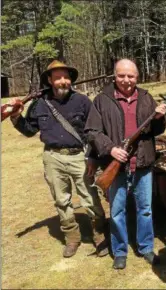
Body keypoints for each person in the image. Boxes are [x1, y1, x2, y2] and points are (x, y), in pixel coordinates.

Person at [8, 60, 108, 258]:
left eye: (66, 77)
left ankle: (100, 234)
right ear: (49, 80)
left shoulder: (82, 102)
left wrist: (93, 158)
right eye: (58, 77)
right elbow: (29, 130)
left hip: (80, 156)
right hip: (52, 157)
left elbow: (95, 131)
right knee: (62, 201)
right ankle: (72, 238)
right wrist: (16, 118)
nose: (63, 81)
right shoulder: (39, 104)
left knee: (90, 198)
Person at [85, 59, 166, 270]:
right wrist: (111, 148)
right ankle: (120, 250)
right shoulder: (102, 100)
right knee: (118, 210)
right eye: (122, 75)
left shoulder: (147, 98)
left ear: (137, 77)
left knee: (145, 209)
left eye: (131, 76)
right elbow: (92, 132)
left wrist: (159, 118)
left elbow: (156, 131)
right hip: (115, 164)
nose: (126, 80)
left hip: (143, 163)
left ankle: (146, 247)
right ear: (115, 76)